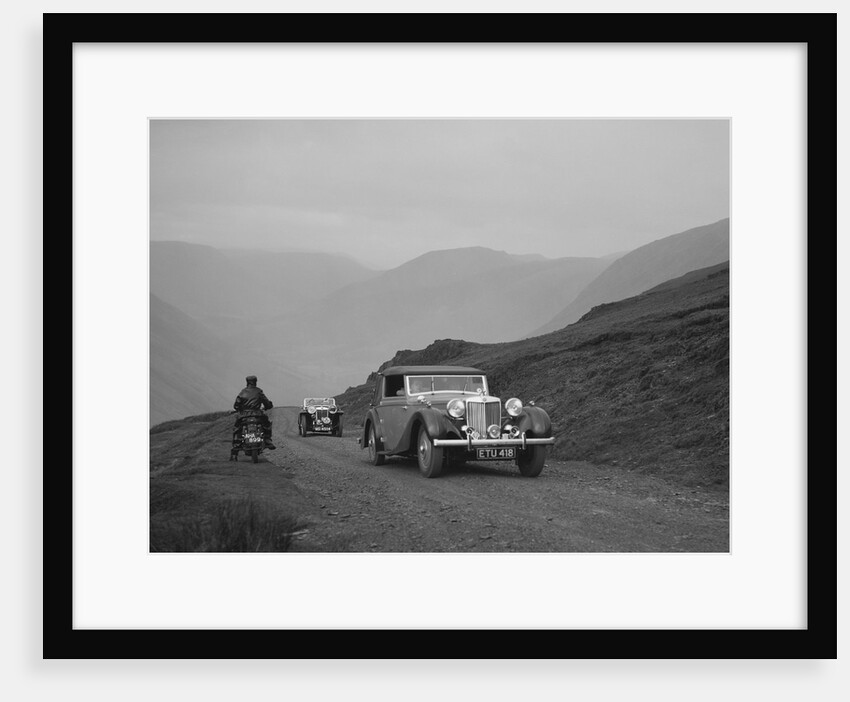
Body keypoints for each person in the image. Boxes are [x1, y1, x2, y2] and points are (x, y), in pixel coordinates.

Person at [233, 375, 276, 449]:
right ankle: (267, 440)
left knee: (237, 426)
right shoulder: (258, 391)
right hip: (258, 414)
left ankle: (237, 443)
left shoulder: (242, 392)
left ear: (247, 382)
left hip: (243, 415)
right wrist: (268, 406)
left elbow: (236, 405)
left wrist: (240, 409)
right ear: (255, 382)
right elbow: (266, 403)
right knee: (267, 424)